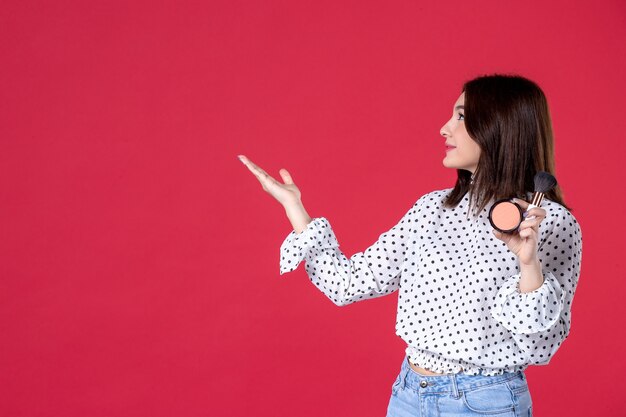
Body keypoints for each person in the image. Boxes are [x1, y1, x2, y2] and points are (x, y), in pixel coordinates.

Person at [237, 73, 582, 417]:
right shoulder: (432, 209)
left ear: (501, 125)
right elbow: (349, 282)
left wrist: (527, 264)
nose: (445, 128)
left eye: (461, 117)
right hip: (409, 395)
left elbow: (540, 347)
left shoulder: (550, 223)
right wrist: (294, 207)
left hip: (485, 402)